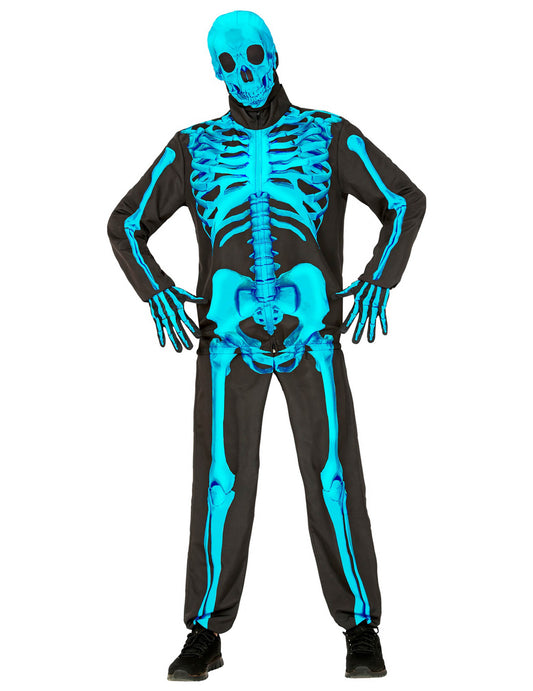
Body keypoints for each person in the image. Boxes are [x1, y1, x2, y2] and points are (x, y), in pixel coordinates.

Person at [107, 10, 426, 681]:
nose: (244, 75)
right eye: (227, 64)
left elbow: (404, 201)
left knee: (333, 473)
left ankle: (360, 627)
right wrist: (154, 289)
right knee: (220, 481)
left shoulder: (328, 134)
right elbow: (125, 223)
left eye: (252, 56)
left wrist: (380, 276)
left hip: (311, 334)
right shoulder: (191, 147)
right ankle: (205, 631)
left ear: (274, 54)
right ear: (215, 72)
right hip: (227, 339)